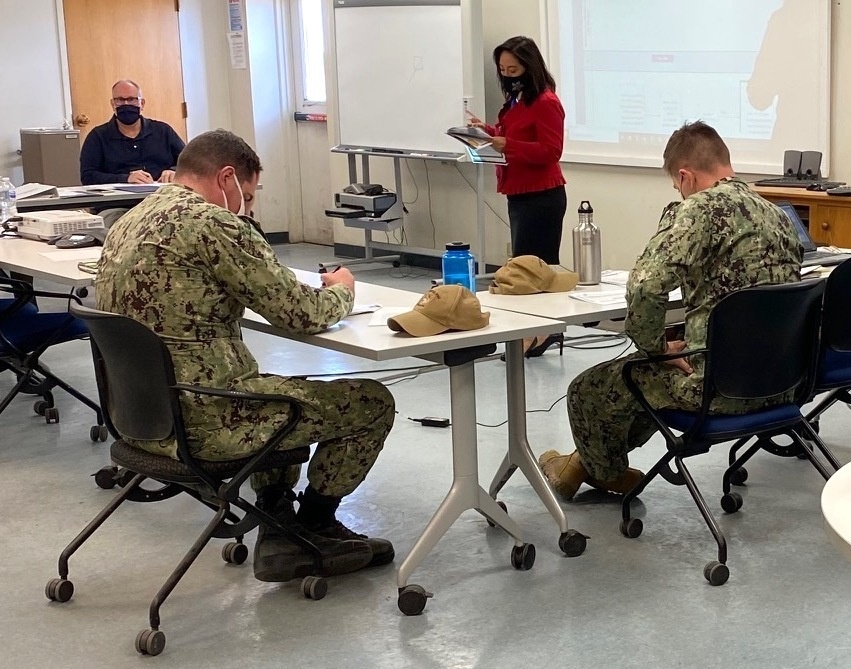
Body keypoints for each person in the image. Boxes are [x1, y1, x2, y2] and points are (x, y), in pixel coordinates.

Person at [95, 129, 396, 583]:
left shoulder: (129, 220)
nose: (248, 209)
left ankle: (277, 521)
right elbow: (300, 313)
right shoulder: (212, 224)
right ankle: (313, 526)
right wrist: (342, 292)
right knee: (371, 402)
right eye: (248, 197)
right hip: (207, 421)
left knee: (276, 390)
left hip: (141, 417)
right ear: (228, 177)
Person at [538, 121, 802, 499]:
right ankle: (583, 464)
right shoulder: (777, 216)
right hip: (779, 383)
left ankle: (601, 472)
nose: (679, 193)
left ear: (686, 176)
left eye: (677, 187)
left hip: (714, 388)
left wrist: (655, 348)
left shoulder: (698, 210)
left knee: (589, 388)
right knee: (647, 379)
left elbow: (645, 285)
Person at [468, 36, 567, 357]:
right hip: (518, 193)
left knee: (533, 271)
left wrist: (507, 145)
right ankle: (538, 332)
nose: (508, 74)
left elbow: (551, 151)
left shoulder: (546, 102)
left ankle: (542, 331)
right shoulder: (517, 99)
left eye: (514, 68)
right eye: (503, 69)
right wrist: (485, 132)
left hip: (543, 196)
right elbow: (509, 135)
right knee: (523, 269)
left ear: (529, 66)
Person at [80, 79, 185, 227]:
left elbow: (190, 163)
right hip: (117, 207)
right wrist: (125, 178)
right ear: (112, 104)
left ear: (142, 104)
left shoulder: (163, 131)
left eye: (131, 99)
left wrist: (174, 171)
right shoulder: (97, 137)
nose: (126, 104)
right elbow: (88, 176)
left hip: (163, 202)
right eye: (120, 100)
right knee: (116, 227)